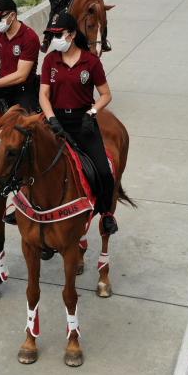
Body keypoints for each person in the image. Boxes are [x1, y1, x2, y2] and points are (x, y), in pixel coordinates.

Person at [39, 12, 117, 235]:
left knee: (103, 171)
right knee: (29, 158)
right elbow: (44, 94)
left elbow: (105, 94)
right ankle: (25, 208)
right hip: (55, 120)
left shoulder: (90, 62)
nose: (53, 39)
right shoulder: (50, 60)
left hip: (83, 122)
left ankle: (106, 214)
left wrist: (92, 112)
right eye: (51, 35)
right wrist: (52, 119)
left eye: (57, 34)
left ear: (71, 35)